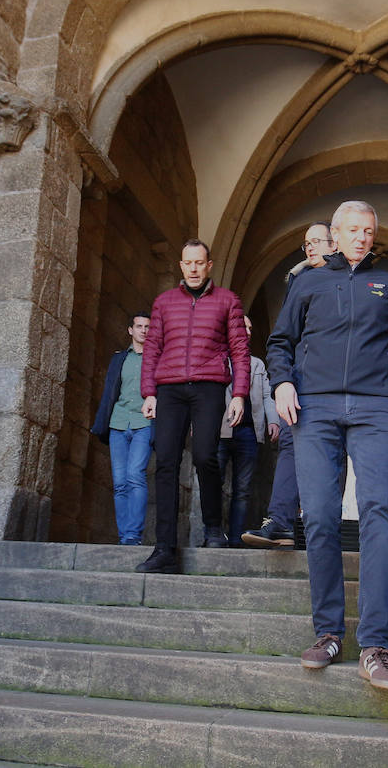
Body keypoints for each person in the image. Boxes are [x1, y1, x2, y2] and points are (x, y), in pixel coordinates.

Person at [267, 201, 388, 694]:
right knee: (319, 515)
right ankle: (329, 632)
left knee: (380, 511)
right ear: (335, 234)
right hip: (314, 407)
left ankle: (375, 644)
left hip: (377, 406)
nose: (361, 236)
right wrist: (281, 384)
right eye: (352, 229)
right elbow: (280, 342)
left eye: (369, 230)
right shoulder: (307, 283)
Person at [136, 239, 250, 573]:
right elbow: (152, 347)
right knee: (167, 462)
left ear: (209, 265)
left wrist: (239, 393)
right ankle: (164, 548)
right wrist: (149, 393)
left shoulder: (228, 301)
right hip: (169, 388)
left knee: (204, 455)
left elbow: (239, 350)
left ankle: (214, 528)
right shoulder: (163, 302)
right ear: (181, 266)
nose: (194, 269)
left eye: (200, 263)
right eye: (188, 263)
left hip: (209, 387)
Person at [243, 222, 334, 548]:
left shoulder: (350, 280)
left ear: (334, 244)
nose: (310, 248)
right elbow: (284, 338)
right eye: (306, 243)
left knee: (332, 455)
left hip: (337, 387)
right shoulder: (300, 281)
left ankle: (322, 528)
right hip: (299, 382)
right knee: (291, 448)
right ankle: (280, 521)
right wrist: (283, 380)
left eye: (317, 241)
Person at [88, 312, 154, 546]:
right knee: (119, 482)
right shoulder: (119, 359)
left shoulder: (157, 359)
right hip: (117, 423)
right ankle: (124, 536)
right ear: (130, 330)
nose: (143, 330)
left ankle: (133, 536)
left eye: (147, 326)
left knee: (135, 476)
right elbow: (109, 393)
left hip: (143, 424)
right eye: (139, 326)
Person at [218, 317, 280, 546]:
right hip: (220, 430)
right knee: (214, 484)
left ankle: (235, 540)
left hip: (248, 433)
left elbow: (266, 396)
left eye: (251, 327)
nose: (248, 331)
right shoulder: (218, 359)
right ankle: (213, 535)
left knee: (242, 490)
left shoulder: (257, 364)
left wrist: (273, 421)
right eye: (243, 326)